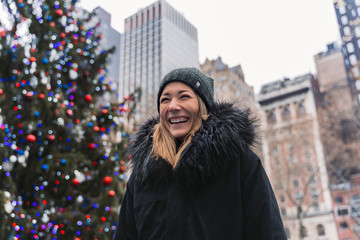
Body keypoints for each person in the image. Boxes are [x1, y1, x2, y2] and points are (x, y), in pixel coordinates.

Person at [114, 68, 287, 240]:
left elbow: (268, 232)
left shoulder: (241, 164)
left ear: (203, 105)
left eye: (184, 96)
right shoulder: (141, 175)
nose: (173, 106)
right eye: (165, 99)